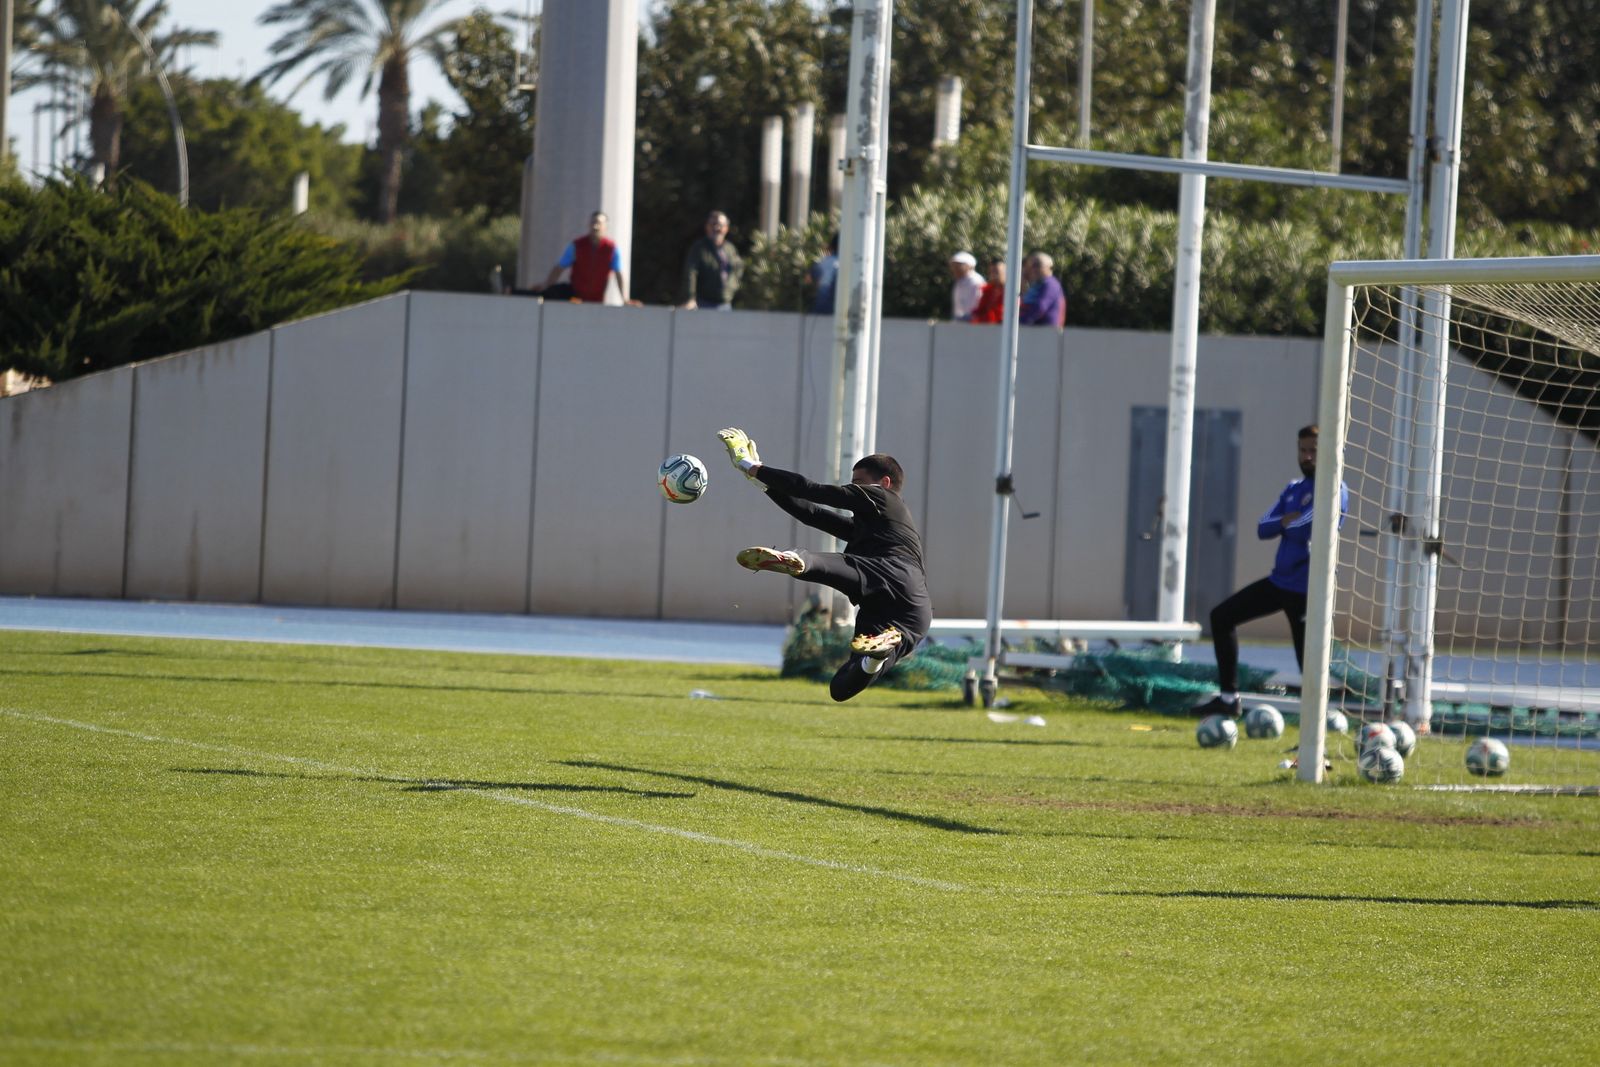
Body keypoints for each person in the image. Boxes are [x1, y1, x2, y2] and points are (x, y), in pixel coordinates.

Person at [717, 426, 933, 703]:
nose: (854, 488)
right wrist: (761, 481)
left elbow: (813, 491)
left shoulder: (882, 497)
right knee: (841, 688)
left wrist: (751, 466)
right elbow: (812, 515)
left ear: (886, 483)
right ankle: (875, 658)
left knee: (830, 564)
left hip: (893, 573)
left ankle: (798, 561)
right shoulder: (872, 527)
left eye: (859, 482)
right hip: (910, 613)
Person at [1195, 425, 1349, 718]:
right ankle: (1229, 699)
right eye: (1303, 450)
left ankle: (1319, 723)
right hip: (1280, 583)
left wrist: (1286, 522)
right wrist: (1285, 522)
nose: (1307, 457)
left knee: (1308, 661)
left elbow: (1306, 527)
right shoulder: (1294, 488)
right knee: (1221, 616)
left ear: (1328, 452)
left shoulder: (1334, 489)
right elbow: (1263, 527)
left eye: (1314, 450)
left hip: (1308, 589)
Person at [544, 210, 628, 304]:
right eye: (592, 222)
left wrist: (624, 299)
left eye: (599, 223)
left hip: (597, 300)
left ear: (605, 227)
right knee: (555, 292)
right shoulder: (577, 245)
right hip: (576, 298)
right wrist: (546, 288)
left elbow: (618, 273)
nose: (595, 226)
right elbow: (558, 268)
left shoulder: (611, 248)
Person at [681, 210, 743, 310]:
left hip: (725, 304)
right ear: (707, 227)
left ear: (726, 228)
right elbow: (691, 273)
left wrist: (731, 289)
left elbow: (738, 270)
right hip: (703, 303)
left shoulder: (730, 249)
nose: (716, 228)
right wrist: (690, 298)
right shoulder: (699, 248)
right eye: (713, 224)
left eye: (720, 225)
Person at [1017, 252, 1066, 327]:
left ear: (1049, 268)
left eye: (1037, 265)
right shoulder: (1036, 285)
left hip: (1045, 333)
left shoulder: (1050, 283)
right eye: (1030, 266)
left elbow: (1039, 307)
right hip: (1033, 331)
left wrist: (1018, 322)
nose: (1032, 269)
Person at [948, 251, 985, 322]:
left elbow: (976, 307)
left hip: (971, 323)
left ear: (968, 266)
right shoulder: (959, 282)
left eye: (958, 265)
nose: (954, 268)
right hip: (959, 322)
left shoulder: (976, 281)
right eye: (953, 265)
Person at [807, 233, 839, 315]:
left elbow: (808, 280)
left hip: (819, 307)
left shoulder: (823, 262)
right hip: (836, 309)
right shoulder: (845, 264)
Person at [969, 257, 1007, 324]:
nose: (993, 275)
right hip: (986, 326)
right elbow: (981, 310)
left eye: (996, 272)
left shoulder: (1010, 292)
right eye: (991, 272)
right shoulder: (987, 290)